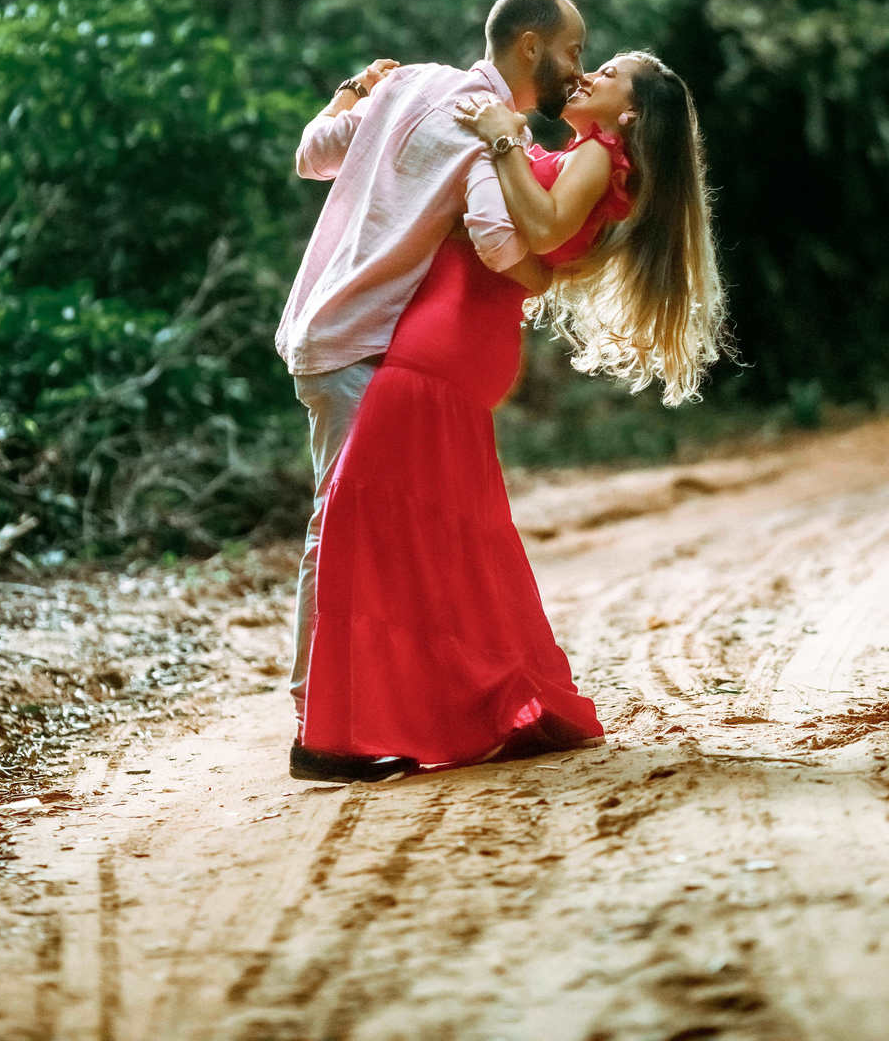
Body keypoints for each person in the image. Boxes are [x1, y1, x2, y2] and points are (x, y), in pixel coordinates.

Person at [294, 48, 725, 782]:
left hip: (447, 337)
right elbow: (539, 245)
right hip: (458, 335)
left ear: (628, 114)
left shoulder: (599, 152)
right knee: (435, 526)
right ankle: (437, 703)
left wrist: (502, 135)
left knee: (369, 520)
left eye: (609, 72)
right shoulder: (589, 153)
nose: (588, 75)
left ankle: (343, 729)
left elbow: (546, 228)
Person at [276, 0, 587, 773]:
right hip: (360, 339)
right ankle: (319, 726)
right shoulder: (488, 129)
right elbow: (493, 239)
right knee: (338, 528)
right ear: (528, 47)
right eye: (572, 52)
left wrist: (353, 90)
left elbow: (313, 152)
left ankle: (349, 709)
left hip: (324, 324)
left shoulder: (412, 82)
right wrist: (548, 280)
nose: (575, 70)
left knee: (349, 524)